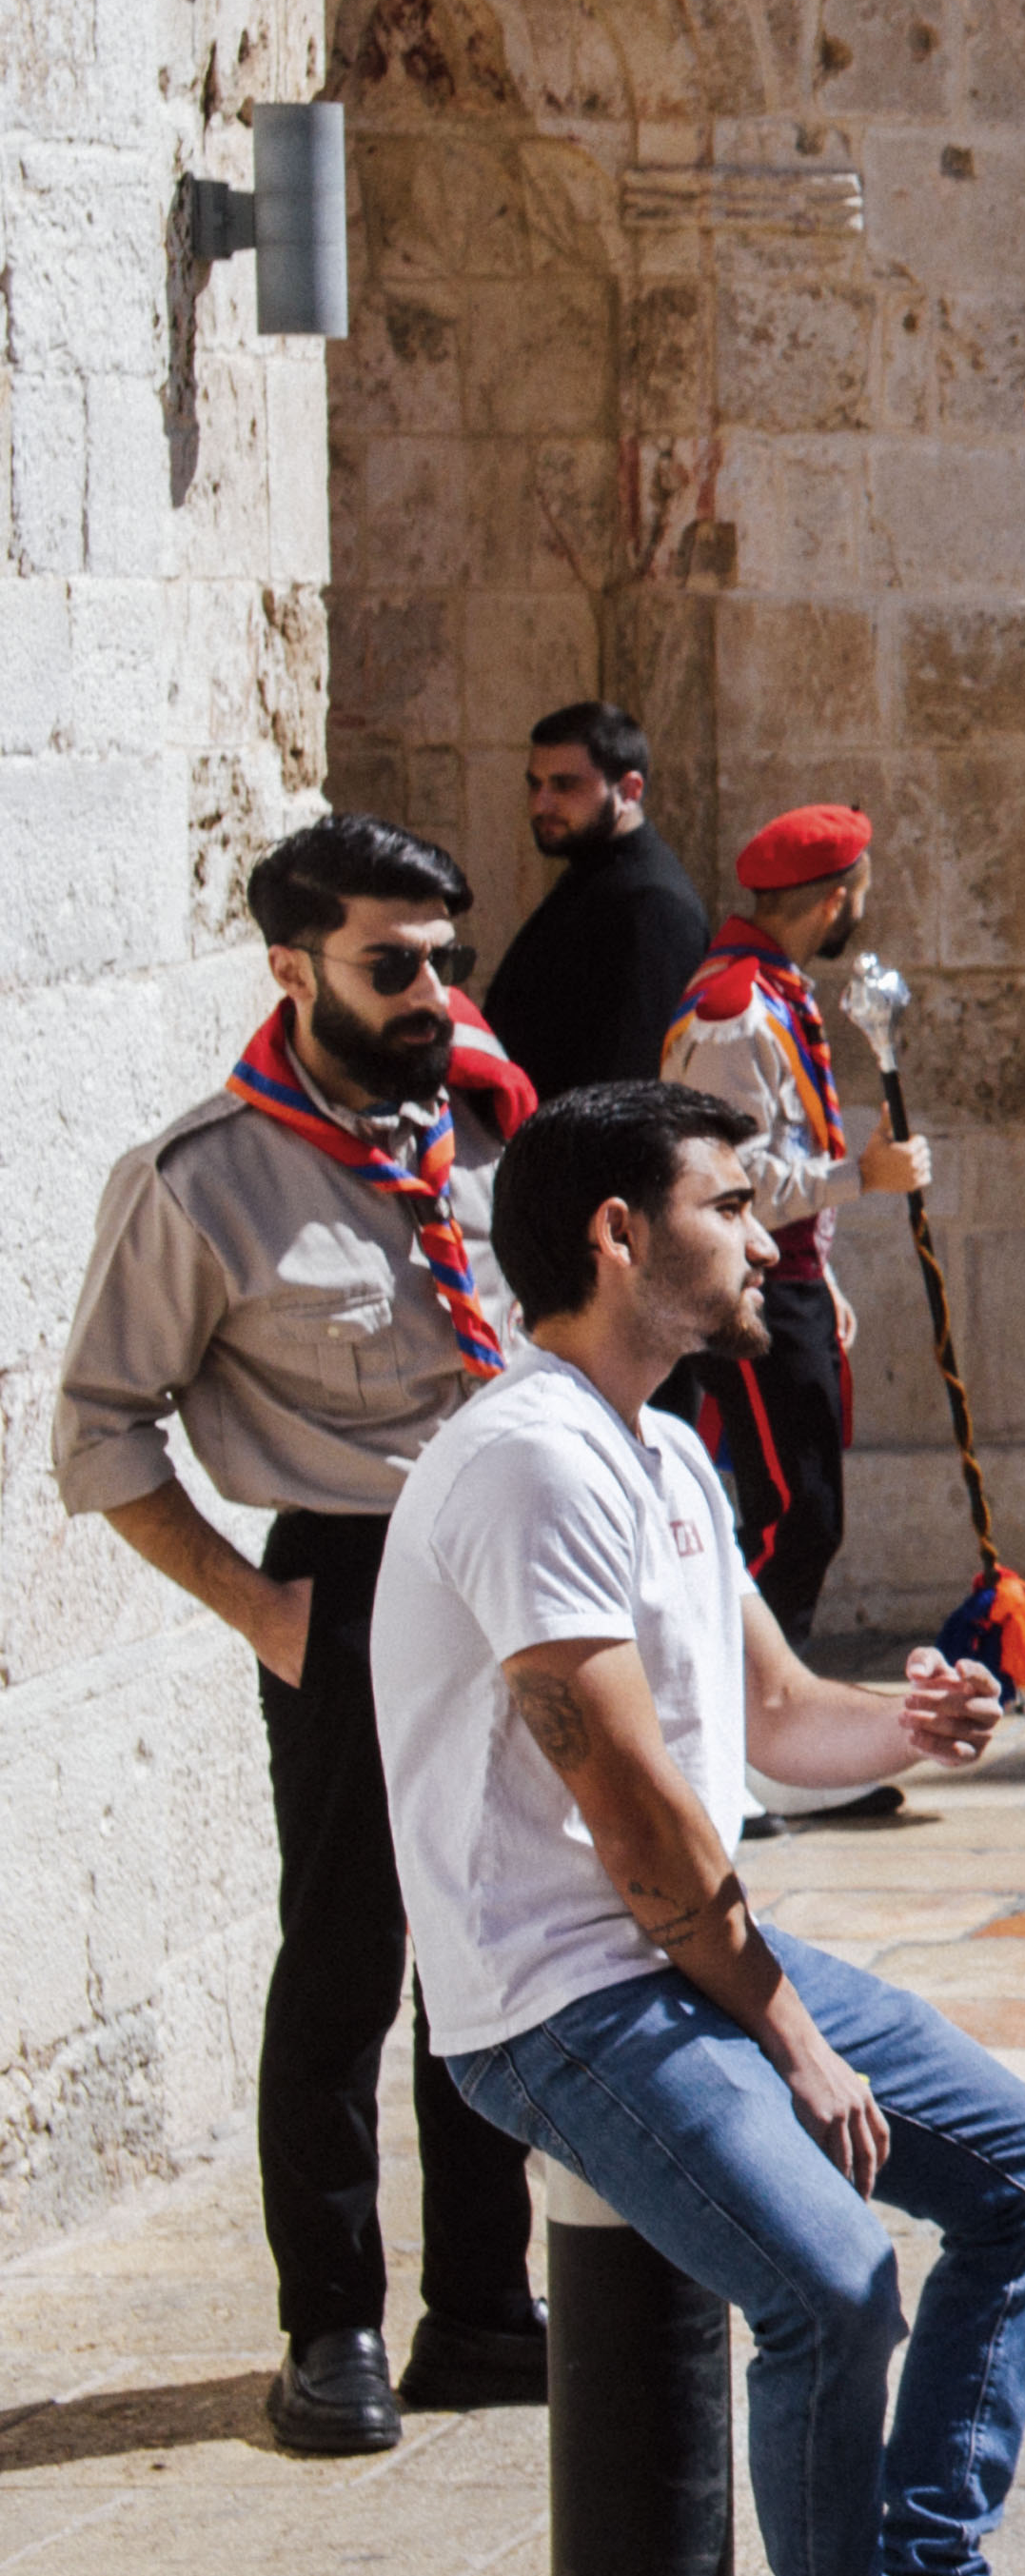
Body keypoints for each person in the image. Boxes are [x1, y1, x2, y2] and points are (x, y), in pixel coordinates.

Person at [372, 1079, 1025, 2576]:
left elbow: (774, 1719)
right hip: (557, 1992)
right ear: (620, 1233)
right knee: (829, 2278)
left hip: (690, 1947)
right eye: (730, 1199)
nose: (770, 1230)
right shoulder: (530, 1457)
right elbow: (630, 1802)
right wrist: (790, 2030)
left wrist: (910, 1722)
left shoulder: (660, 1448)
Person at [52, 814, 546, 2451]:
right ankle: (328, 2320)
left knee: (506, 1946)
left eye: (448, 959)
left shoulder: (478, 1129)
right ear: (292, 964)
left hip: (515, 1580)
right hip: (346, 1578)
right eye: (390, 961)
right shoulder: (204, 1176)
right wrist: (262, 1609)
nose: (431, 992)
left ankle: (483, 2305)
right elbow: (102, 1431)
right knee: (345, 1961)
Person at [660, 803, 928, 1638]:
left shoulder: (772, 989)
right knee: (792, 1518)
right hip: (750, 1289)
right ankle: (749, 1714)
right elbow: (723, 1180)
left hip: (790, 1280)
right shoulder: (733, 1011)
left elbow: (777, 1147)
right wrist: (864, 1176)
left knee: (806, 1509)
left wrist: (826, 1268)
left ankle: (763, 1720)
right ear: (834, 899)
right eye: (860, 895)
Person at [483, 703, 712, 1102]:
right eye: (535, 784)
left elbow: (630, 1084)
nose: (541, 804)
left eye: (564, 785)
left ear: (629, 790)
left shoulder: (651, 904)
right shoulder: (595, 872)